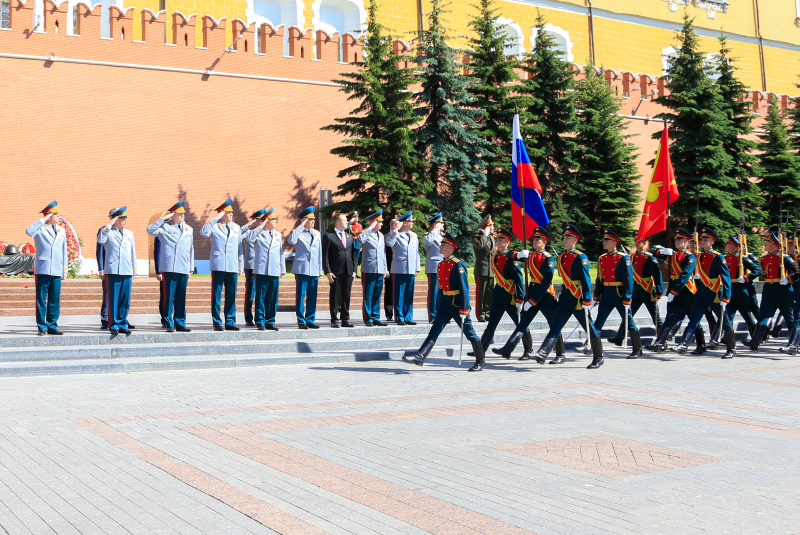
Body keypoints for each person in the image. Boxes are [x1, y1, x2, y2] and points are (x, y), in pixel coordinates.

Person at [404, 232, 486, 371]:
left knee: (469, 332)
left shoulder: (458, 265)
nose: (440, 246)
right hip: (445, 303)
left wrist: (464, 308)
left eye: (443, 244)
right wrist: (440, 303)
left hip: (457, 303)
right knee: (435, 330)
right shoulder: (441, 264)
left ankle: (481, 360)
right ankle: (421, 355)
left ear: (451, 248)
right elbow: (441, 287)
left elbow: (464, 288)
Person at [533, 225, 604, 369]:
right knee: (556, 325)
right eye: (564, 237)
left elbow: (586, 279)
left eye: (567, 237)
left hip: (578, 299)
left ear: (575, 240)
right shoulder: (563, 257)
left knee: (589, 328)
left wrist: (587, 298)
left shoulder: (580, 257)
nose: (564, 239)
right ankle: (543, 352)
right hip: (566, 297)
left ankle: (599, 357)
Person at [492, 226, 566, 363]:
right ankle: (508, 348)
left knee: (554, 325)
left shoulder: (548, 259)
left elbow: (546, 282)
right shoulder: (530, 255)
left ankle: (560, 355)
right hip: (532, 294)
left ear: (545, 241)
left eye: (538, 239)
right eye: (534, 238)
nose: (534, 241)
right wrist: (518, 255)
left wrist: (533, 300)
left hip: (544, 296)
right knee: (522, 324)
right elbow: (508, 255)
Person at [673, 228, 735, 358]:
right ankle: (683, 344)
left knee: (725, 321)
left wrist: (726, 296)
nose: (703, 241)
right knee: (694, 319)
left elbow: (726, 277)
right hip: (701, 293)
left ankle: (731, 349)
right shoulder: (699, 256)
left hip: (715, 294)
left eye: (706, 240)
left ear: (712, 241)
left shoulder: (718, 257)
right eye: (701, 239)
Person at [471, 227, 528, 357]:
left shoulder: (512, 258)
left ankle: (527, 349)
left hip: (510, 297)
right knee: (491, 324)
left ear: (507, 242)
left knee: (520, 323)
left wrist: (520, 298)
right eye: (498, 238)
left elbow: (519, 279)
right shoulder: (496, 256)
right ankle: (480, 351)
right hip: (498, 295)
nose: (498, 240)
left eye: (501, 239)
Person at [743, 232, 799, 353]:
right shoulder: (763, 258)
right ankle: (755, 340)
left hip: (783, 290)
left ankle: (793, 343)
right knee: (764, 316)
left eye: (767, 243)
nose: (765, 245)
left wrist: (789, 278)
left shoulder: (784, 258)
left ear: (774, 245)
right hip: (769, 289)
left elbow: (798, 272)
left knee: (789, 319)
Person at [590, 229, 641, 359]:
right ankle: (589, 344)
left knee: (628, 322)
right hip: (606, 294)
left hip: (619, 294)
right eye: (604, 240)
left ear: (614, 242)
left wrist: (627, 297)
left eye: (607, 240)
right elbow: (599, 279)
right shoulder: (602, 258)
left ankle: (637, 348)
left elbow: (629, 279)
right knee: (598, 322)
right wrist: (596, 296)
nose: (604, 242)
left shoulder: (623, 258)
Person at [645, 229, 697, 351]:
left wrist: (674, 292)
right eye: (676, 239)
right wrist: (661, 251)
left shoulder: (690, 257)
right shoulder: (672, 254)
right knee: (670, 317)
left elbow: (684, 276)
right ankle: (660, 343)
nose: (677, 242)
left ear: (687, 242)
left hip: (686, 291)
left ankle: (701, 343)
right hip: (674, 291)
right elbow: (653, 252)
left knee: (693, 318)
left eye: (680, 239)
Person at [147, 201, 195, 333]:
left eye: (183, 214)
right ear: (172, 215)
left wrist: (191, 266)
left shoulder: (188, 229)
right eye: (179, 214)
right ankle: (168, 322)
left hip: (183, 266)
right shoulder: (165, 228)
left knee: (181, 297)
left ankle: (180, 322)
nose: (182, 216)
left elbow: (191, 248)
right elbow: (150, 230)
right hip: (170, 266)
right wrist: (162, 220)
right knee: (169, 297)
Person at [611, 233, 663, 352]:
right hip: (636, 291)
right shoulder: (632, 257)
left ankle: (662, 339)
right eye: (635, 241)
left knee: (656, 317)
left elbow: (657, 275)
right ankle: (619, 337)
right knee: (628, 315)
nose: (636, 243)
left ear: (644, 243)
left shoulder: (650, 258)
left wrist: (659, 291)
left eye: (639, 241)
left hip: (648, 291)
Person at [200, 200, 244, 331]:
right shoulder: (214, 226)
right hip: (218, 264)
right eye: (228, 212)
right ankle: (217, 321)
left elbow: (240, 247)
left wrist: (241, 264)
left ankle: (230, 321)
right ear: (221, 213)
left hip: (232, 265)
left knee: (231, 294)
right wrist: (214, 219)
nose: (231, 214)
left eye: (231, 212)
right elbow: (203, 232)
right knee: (217, 294)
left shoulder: (236, 227)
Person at [26, 201, 68, 335]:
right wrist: (42, 219)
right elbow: (28, 231)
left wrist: (65, 269)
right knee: (41, 299)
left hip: (56, 268)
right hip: (43, 268)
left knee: (55, 299)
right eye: (55, 214)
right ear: (48, 215)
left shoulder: (61, 230)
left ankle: (52, 325)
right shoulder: (40, 228)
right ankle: (41, 326)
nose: (58, 217)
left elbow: (64, 251)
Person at [97, 207, 137, 335]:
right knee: (113, 299)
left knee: (125, 299)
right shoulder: (107, 232)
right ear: (116, 219)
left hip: (126, 269)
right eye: (122, 218)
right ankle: (113, 324)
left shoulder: (129, 233)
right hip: (113, 270)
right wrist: (109, 224)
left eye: (126, 217)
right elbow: (100, 240)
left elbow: (132, 253)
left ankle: (123, 323)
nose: (125, 220)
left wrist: (134, 270)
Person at [245, 208, 285, 331]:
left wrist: (282, 268)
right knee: (261, 297)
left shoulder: (278, 235)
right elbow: (249, 239)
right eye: (274, 220)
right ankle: (260, 321)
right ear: (267, 221)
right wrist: (260, 225)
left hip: (274, 269)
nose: (276, 221)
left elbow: (280, 252)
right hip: (262, 269)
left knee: (272, 297)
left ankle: (270, 321)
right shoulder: (258, 233)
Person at [289, 206, 322, 329]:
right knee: (301, 296)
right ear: (304, 220)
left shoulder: (317, 233)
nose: (313, 222)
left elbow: (319, 252)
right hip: (302, 268)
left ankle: (310, 319)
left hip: (313, 268)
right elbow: (291, 241)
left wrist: (320, 269)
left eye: (314, 220)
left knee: (312, 296)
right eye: (310, 219)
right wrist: (300, 226)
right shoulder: (297, 232)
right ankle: (301, 320)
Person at [322, 212, 358, 328]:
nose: (347, 222)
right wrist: (327, 271)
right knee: (335, 296)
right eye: (345, 220)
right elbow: (325, 255)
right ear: (338, 222)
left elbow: (353, 255)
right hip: (335, 272)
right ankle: (334, 319)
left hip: (348, 271)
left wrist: (354, 270)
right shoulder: (329, 236)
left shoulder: (350, 237)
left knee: (346, 295)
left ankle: (345, 319)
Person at [723, 235, 760, 343]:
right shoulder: (724, 258)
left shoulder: (742, 258)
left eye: (728, 244)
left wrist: (746, 278)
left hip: (740, 291)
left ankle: (755, 339)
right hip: (729, 290)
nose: (725, 245)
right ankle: (728, 340)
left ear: (734, 247)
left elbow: (757, 270)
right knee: (728, 316)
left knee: (747, 316)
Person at [386, 211, 421, 325]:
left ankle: (408, 316)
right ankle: (399, 317)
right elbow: (389, 243)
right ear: (404, 223)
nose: (412, 223)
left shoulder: (414, 235)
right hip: (399, 268)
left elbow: (416, 252)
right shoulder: (394, 233)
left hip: (411, 268)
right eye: (410, 221)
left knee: (409, 294)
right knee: (399, 294)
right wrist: (395, 231)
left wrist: (417, 267)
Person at [358, 209, 389, 327]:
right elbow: (360, 240)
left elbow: (383, 253)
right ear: (373, 222)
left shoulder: (381, 235)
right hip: (369, 268)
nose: (381, 224)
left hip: (380, 268)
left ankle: (376, 317)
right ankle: (368, 318)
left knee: (377, 294)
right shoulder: (365, 233)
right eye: (379, 222)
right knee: (368, 294)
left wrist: (385, 268)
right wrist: (370, 227)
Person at [241, 210, 265, 326]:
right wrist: (247, 226)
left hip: (262, 266)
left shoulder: (265, 232)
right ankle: (248, 317)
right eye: (259, 220)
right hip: (251, 265)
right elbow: (238, 237)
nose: (262, 222)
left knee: (262, 293)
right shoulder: (249, 232)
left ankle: (260, 316)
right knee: (250, 292)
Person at [472, 215, 495, 322]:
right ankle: (480, 314)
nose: (493, 228)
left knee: (489, 293)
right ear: (486, 227)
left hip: (491, 270)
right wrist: (484, 235)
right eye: (491, 226)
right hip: (481, 270)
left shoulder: (492, 239)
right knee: (480, 294)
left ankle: (487, 312)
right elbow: (480, 246)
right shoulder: (476, 238)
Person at [422, 213, 444, 322]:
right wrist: (435, 230)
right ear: (435, 224)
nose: (443, 224)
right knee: (433, 292)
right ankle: (432, 315)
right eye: (440, 223)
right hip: (434, 267)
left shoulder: (441, 235)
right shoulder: (427, 235)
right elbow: (428, 242)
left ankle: (440, 314)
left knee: (441, 292)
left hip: (442, 266)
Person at [97, 208, 116, 330]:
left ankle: (119, 318)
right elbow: (99, 251)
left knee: (120, 296)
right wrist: (101, 268)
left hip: (121, 269)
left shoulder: (126, 231)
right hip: (108, 267)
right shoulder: (104, 230)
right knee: (107, 295)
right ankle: (105, 318)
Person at [384, 220, 396, 322]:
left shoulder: (400, 235)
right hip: (389, 266)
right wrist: (385, 268)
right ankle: (389, 313)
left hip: (400, 267)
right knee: (389, 290)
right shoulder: (386, 236)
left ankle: (398, 313)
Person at [348, 211, 363, 278]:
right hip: (351, 242)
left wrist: (361, 245)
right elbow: (346, 227)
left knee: (356, 259)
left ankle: (355, 272)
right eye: (354, 217)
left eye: (357, 217)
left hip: (358, 243)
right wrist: (351, 221)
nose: (356, 218)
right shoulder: (350, 225)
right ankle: (350, 272)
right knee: (350, 258)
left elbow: (361, 236)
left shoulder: (360, 226)